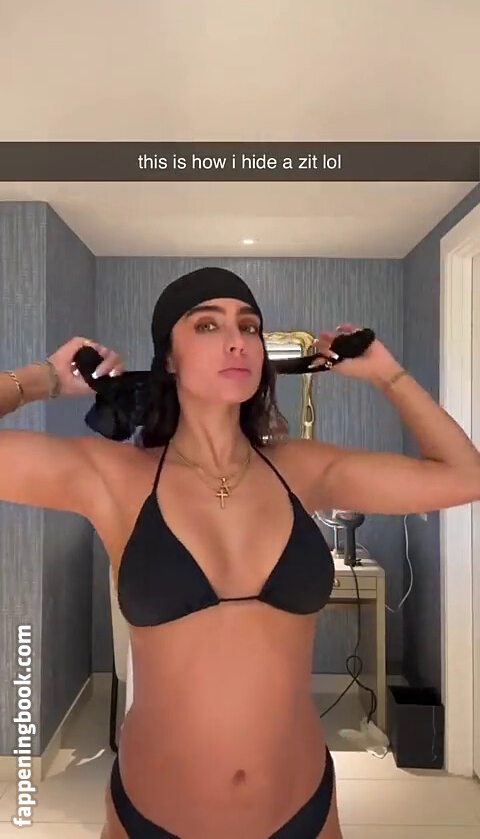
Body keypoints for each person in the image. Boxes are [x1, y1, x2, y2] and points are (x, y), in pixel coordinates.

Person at [1, 266, 479, 839]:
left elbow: (464, 477)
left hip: (302, 810)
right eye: (207, 325)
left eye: (249, 326)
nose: (237, 341)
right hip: (154, 817)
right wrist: (39, 380)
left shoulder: (302, 468)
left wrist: (388, 374)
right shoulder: (112, 477)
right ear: (169, 358)